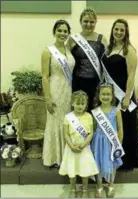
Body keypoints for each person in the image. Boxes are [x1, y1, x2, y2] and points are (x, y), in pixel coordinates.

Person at [101, 19, 138, 171]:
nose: (118, 32)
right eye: (116, 29)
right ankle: (111, 156)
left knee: (124, 127)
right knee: (113, 127)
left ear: (126, 33)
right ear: (112, 30)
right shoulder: (108, 48)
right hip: (109, 95)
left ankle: (125, 160)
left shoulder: (129, 50)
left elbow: (131, 76)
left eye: (122, 30)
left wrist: (126, 98)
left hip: (123, 95)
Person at [42, 20, 75, 168]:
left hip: (68, 91)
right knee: (55, 122)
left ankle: (66, 157)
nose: (62, 33)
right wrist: (47, 98)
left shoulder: (69, 50)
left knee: (67, 123)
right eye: (59, 30)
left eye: (65, 31)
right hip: (55, 90)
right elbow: (44, 76)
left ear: (68, 33)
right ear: (54, 32)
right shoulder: (47, 51)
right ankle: (54, 158)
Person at [59, 90, 99, 198]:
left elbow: (90, 133)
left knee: (84, 170)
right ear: (72, 103)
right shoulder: (68, 117)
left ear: (86, 104)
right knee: (72, 170)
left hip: (84, 148)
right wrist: (72, 146)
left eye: (82, 104)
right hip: (71, 148)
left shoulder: (89, 116)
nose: (80, 106)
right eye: (77, 103)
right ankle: (73, 189)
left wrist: (83, 145)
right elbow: (66, 134)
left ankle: (84, 190)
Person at [67, 8, 107, 112]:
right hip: (78, 82)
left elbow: (107, 63)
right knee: (78, 111)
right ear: (80, 22)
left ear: (96, 22)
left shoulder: (102, 39)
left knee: (95, 111)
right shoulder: (73, 39)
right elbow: (67, 60)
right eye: (85, 21)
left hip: (96, 83)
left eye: (92, 22)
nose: (88, 24)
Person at [91, 83, 124, 198]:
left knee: (112, 163)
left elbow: (120, 129)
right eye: (103, 94)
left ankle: (111, 185)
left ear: (112, 96)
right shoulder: (96, 111)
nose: (105, 96)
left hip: (112, 142)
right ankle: (99, 186)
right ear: (98, 95)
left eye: (108, 94)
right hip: (98, 142)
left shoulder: (117, 111)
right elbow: (93, 128)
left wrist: (118, 143)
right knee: (98, 163)